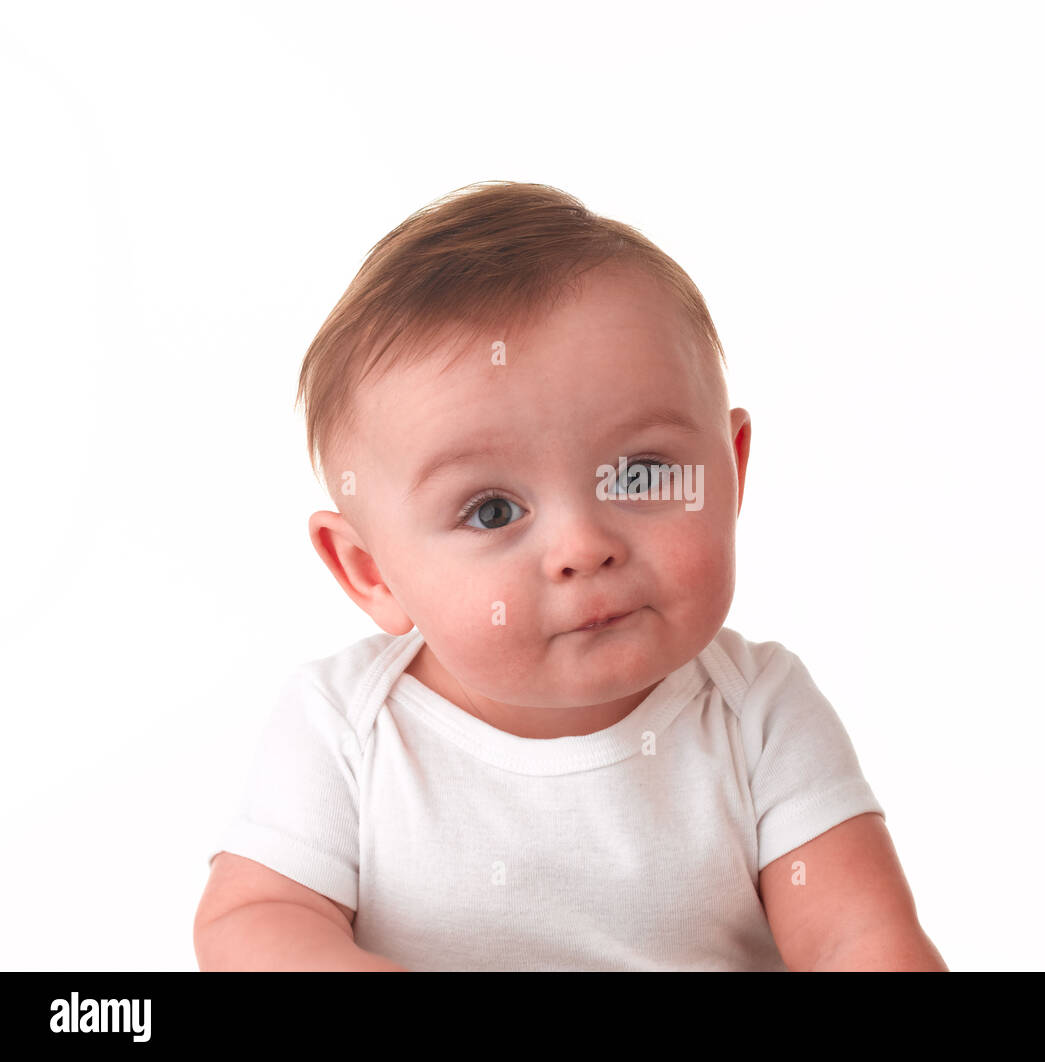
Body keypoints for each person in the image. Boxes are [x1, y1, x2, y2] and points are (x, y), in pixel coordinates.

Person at [192, 181, 947, 972]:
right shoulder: (347, 729)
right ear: (370, 570)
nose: (584, 547)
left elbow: (856, 937)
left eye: (642, 473)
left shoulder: (756, 714)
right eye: (491, 511)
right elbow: (251, 922)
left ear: (731, 470)